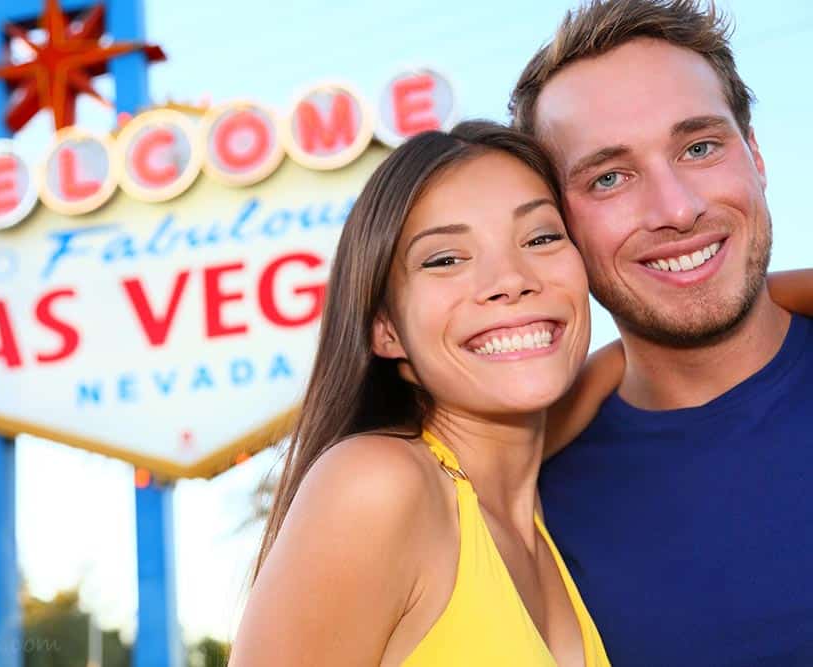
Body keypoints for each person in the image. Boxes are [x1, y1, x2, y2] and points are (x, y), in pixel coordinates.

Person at [229, 121, 611, 666]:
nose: (511, 278)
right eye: (445, 259)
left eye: (542, 237)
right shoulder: (377, 484)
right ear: (385, 328)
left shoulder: (531, 513)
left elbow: (643, 359)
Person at [508, 0, 813, 664]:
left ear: (755, 155)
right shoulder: (522, 509)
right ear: (555, 226)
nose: (677, 209)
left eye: (700, 146)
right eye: (609, 177)